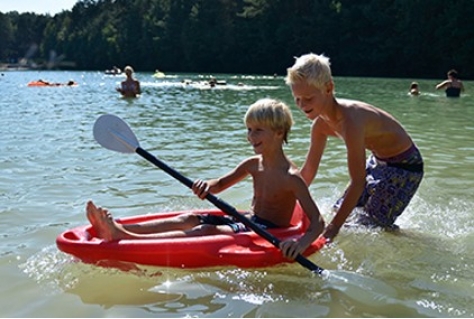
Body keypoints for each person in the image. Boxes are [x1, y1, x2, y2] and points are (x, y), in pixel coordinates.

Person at [86, 98, 325, 259]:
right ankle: (120, 228)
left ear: (279, 132)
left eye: (258, 130)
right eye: (248, 129)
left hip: (268, 229)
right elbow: (219, 185)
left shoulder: (291, 178)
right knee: (190, 217)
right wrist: (205, 185)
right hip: (250, 219)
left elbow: (317, 222)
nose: (250, 136)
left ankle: (125, 238)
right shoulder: (253, 164)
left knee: (208, 228)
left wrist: (300, 245)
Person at [285, 53, 424, 241]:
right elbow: (308, 171)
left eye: (308, 98)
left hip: (405, 165)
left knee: (369, 225)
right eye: (297, 99)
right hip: (378, 159)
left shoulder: (350, 121)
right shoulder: (320, 125)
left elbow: (357, 182)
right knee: (338, 210)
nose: (302, 105)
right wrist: (285, 201)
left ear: (329, 88)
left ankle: (405, 241)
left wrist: (332, 230)